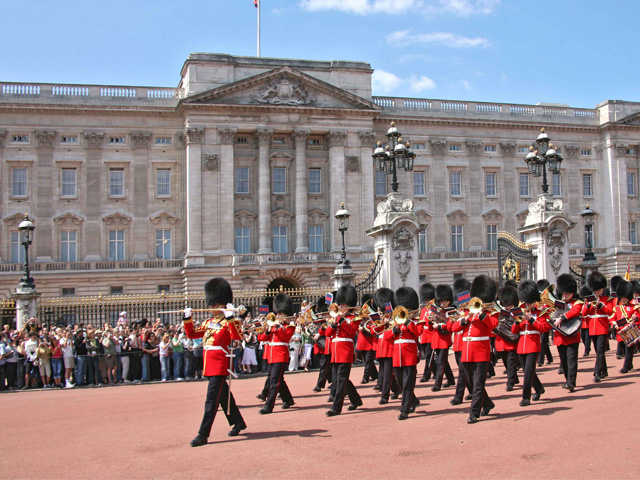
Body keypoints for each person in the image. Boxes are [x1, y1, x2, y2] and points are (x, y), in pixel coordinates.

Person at [184, 277, 247, 447]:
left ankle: (203, 434)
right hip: (209, 364)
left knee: (211, 400)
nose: (212, 307)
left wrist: (229, 318)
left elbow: (236, 338)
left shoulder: (230, 322)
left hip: (220, 364)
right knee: (223, 397)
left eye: (215, 304)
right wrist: (187, 319)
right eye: (211, 304)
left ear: (223, 304)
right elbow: (192, 335)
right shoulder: (208, 322)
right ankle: (238, 422)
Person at [450, 274, 499, 424]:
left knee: (478, 385)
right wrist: (465, 319)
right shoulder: (466, 312)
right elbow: (454, 327)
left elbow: (494, 324)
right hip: (467, 352)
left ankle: (474, 413)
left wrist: (482, 315)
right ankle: (488, 403)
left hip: (481, 353)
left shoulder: (489, 312)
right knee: (471, 384)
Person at [326, 285, 363, 416]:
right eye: (340, 304)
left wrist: (341, 320)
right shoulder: (335, 317)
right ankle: (356, 400)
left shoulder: (354, 318)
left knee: (341, 380)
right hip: (335, 352)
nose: (341, 307)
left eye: (344, 305)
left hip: (345, 351)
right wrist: (333, 324)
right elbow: (328, 334)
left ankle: (336, 407)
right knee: (341, 379)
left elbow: (351, 331)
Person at [513, 281, 551, 405]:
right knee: (528, 372)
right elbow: (514, 331)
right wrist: (517, 322)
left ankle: (525, 397)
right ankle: (539, 388)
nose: (527, 304)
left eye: (529, 302)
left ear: (535, 301)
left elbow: (544, 328)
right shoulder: (522, 312)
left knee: (528, 373)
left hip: (533, 345)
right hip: (521, 346)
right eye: (526, 302)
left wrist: (531, 320)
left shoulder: (541, 313)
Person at [387, 286, 422, 420]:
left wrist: (408, 322)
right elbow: (386, 337)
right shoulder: (395, 320)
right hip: (397, 355)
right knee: (401, 382)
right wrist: (394, 329)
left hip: (409, 355)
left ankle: (404, 410)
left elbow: (419, 332)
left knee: (407, 384)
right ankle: (413, 401)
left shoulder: (415, 320)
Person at [260, 292, 296, 414]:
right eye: (278, 313)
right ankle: (288, 400)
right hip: (271, 355)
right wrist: (268, 330)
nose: (278, 315)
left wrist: (278, 326)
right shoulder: (273, 325)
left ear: (286, 314)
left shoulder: (290, 326)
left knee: (274, 381)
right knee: (277, 379)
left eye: (281, 313)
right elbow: (261, 338)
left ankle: (269, 405)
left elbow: (284, 337)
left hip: (280, 355)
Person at [552, 274, 583, 392]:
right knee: (563, 360)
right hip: (560, 336)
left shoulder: (577, 302)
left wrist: (562, 317)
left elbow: (574, 312)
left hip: (572, 335)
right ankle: (567, 380)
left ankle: (571, 382)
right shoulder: (559, 303)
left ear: (572, 293)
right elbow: (553, 315)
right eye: (563, 293)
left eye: (566, 293)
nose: (564, 296)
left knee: (571, 359)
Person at [370, 287, 401, 404]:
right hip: (381, 348)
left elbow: (394, 332)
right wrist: (380, 324)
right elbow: (373, 331)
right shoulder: (382, 317)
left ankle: (385, 396)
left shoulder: (395, 318)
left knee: (387, 374)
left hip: (390, 348)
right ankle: (397, 389)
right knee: (385, 373)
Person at [586, 271, 615, 382]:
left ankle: (597, 372)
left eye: (598, 290)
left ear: (602, 289)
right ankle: (605, 371)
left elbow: (610, 311)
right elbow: (583, 313)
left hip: (602, 327)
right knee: (598, 350)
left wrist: (601, 305)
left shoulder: (608, 299)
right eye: (595, 290)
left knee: (600, 351)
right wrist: (588, 306)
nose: (596, 292)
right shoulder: (590, 299)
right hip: (592, 328)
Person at [428, 285, 456, 392]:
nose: (442, 303)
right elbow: (430, 327)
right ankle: (451, 379)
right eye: (441, 301)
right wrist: (431, 320)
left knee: (440, 362)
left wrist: (439, 325)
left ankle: (437, 384)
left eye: (444, 301)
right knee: (444, 361)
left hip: (444, 339)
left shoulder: (451, 311)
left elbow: (450, 326)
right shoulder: (437, 310)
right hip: (436, 339)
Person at [495, 285, 520, 392]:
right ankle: (514, 378)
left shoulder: (517, 311)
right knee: (506, 363)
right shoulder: (499, 311)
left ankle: (510, 382)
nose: (509, 306)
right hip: (501, 341)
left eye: (510, 304)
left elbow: (518, 323)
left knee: (511, 362)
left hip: (512, 341)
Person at [610, 281, 638, 374]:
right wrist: (614, 323)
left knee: (628, 350)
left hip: (629, 331)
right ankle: (629, 364)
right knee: (623, 349)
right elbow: (612, 318)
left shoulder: (634, 307)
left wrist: (636, 317)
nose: (623, 299)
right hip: (620, 331)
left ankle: (626, 366)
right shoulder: (617, 308)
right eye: (622, 298)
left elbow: (637, 315)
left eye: (625, 298)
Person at [536, 279, 554, 367]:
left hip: (546, 322)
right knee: (544, 341)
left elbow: (553, 309)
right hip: (539, 322)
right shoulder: (538, 299)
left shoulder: (549, 299)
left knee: (542, 341)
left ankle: (540, 360)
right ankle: (550, 357)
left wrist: (545, 309)